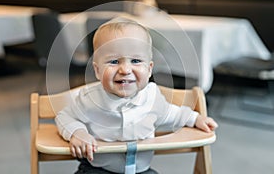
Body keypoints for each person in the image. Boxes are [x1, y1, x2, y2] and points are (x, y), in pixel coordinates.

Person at [55, 18, 218, 174]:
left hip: (141, 170)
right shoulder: (89, 99)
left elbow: (173, 114)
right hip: (98, 168)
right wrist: (78, 133)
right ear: (97, 70)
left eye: (135, 61)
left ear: (149, 69)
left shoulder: (152, 98)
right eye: (113, 62)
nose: (125, 70)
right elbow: (64, 117)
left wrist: (196, 119)